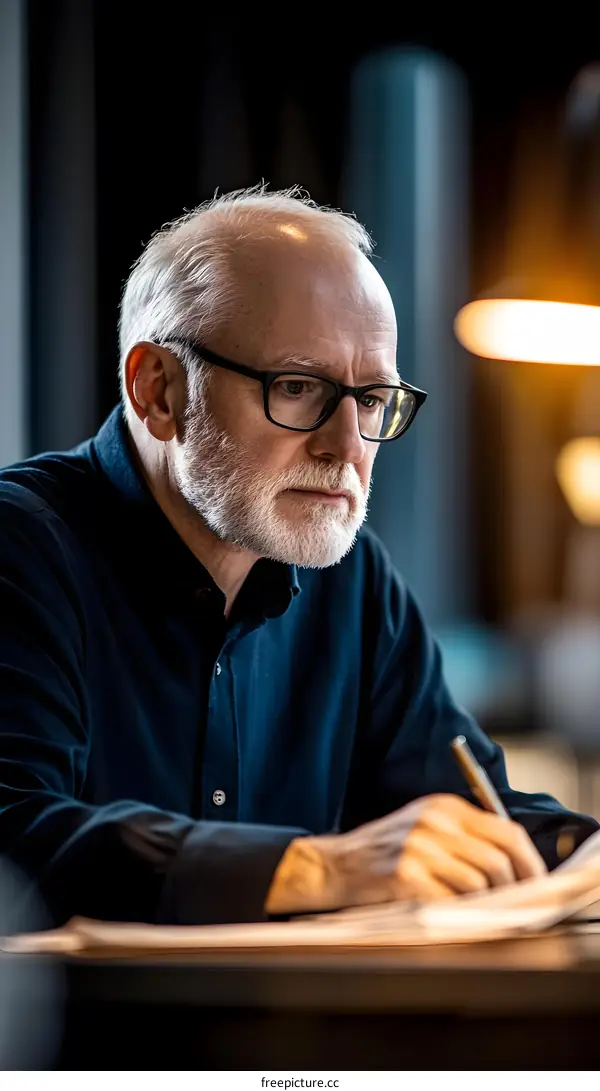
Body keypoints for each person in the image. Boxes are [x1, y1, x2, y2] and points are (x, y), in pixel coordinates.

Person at [0, 185, 595, 928]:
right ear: (156, 389)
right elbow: (15, 837)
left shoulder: (354, 580)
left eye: (372, 398)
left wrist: (581, 853)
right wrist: (318, 867)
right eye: (298, 386)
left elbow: (477, 815)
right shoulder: (20, 548)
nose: (347, 447)